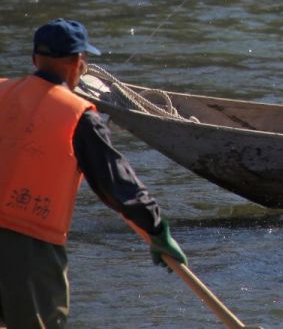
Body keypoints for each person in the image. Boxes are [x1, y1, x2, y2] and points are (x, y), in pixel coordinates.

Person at [0, 19, 188, 329]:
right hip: (30, 246)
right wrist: (157, 230)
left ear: (35, 60)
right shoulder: (77, 115)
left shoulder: (3, 91)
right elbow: (115, 182)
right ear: (78, 63)